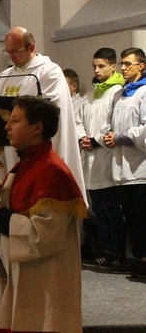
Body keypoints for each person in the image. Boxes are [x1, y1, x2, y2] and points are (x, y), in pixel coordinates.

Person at [0, 96, 86, 332]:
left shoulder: (52, 171)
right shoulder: (24, 166)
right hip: (26, 277)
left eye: (15, 121)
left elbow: (44, 237)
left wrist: (0, 217)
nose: (6, 126)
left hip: (46, 282)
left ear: (37, 128)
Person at [0, 26, 87, 202]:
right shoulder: (3, 77)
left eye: (16, 51)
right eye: (7, 52)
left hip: (39, 149)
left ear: (31, 47)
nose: (11, 56)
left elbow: (50, 108)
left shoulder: (49, 72)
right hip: (10, 147)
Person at [78, 48, 125, 270]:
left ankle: (117, 253)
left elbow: (116, 123)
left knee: (111, 208)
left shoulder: (117, 92)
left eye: (102, 66)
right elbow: (78, 119)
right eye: (94, 66)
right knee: (98, 208)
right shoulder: (90, 95)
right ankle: (105, 250)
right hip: (90, 159)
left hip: (108, 156)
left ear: (113, 66)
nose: (97, 70)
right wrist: (82, 137)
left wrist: (96, 140)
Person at [102, 47, 146, 278]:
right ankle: (137, 257)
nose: (123, 68)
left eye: (128, 63)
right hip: (122, 167)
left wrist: (121, 137)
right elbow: (112, 123)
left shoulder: (145, 92)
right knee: (130, 217)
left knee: (141, 216)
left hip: (140, 168)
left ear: (142, 66)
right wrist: (110, 135)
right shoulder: (120, 94)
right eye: (122, 64)